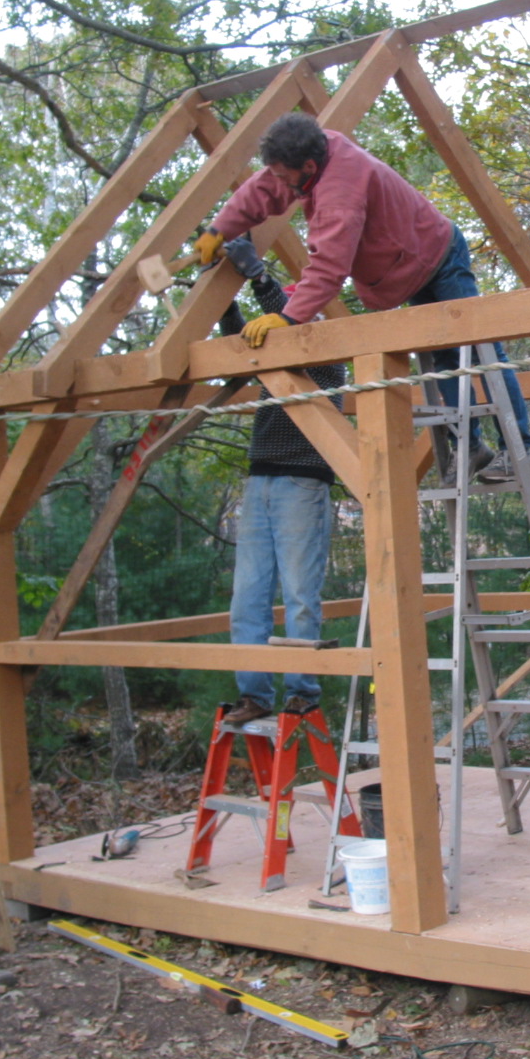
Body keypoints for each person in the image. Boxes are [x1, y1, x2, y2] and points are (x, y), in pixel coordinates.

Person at [195, 112, 530, 480]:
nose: (279, 182)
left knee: (481, 350)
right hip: (410, 267)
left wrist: (289, 317)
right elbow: (264, 189)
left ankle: (521, 452)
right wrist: (220, 227)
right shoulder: (311, 159)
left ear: (308, 165)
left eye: (284, 175)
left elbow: (328, 270)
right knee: (446, 360)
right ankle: (469, 446)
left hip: (439, 255)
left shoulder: (341, 192)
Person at [215, 236, 344, 726]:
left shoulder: (328, 358)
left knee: (299, 595)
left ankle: (303, 691)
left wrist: (261, 278)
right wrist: (222, 299)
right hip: (261, 484)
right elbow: (237, 342)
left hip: (302, 484)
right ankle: (255, 694)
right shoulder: (270, 365)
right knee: (246, 598)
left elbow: (289, 323)